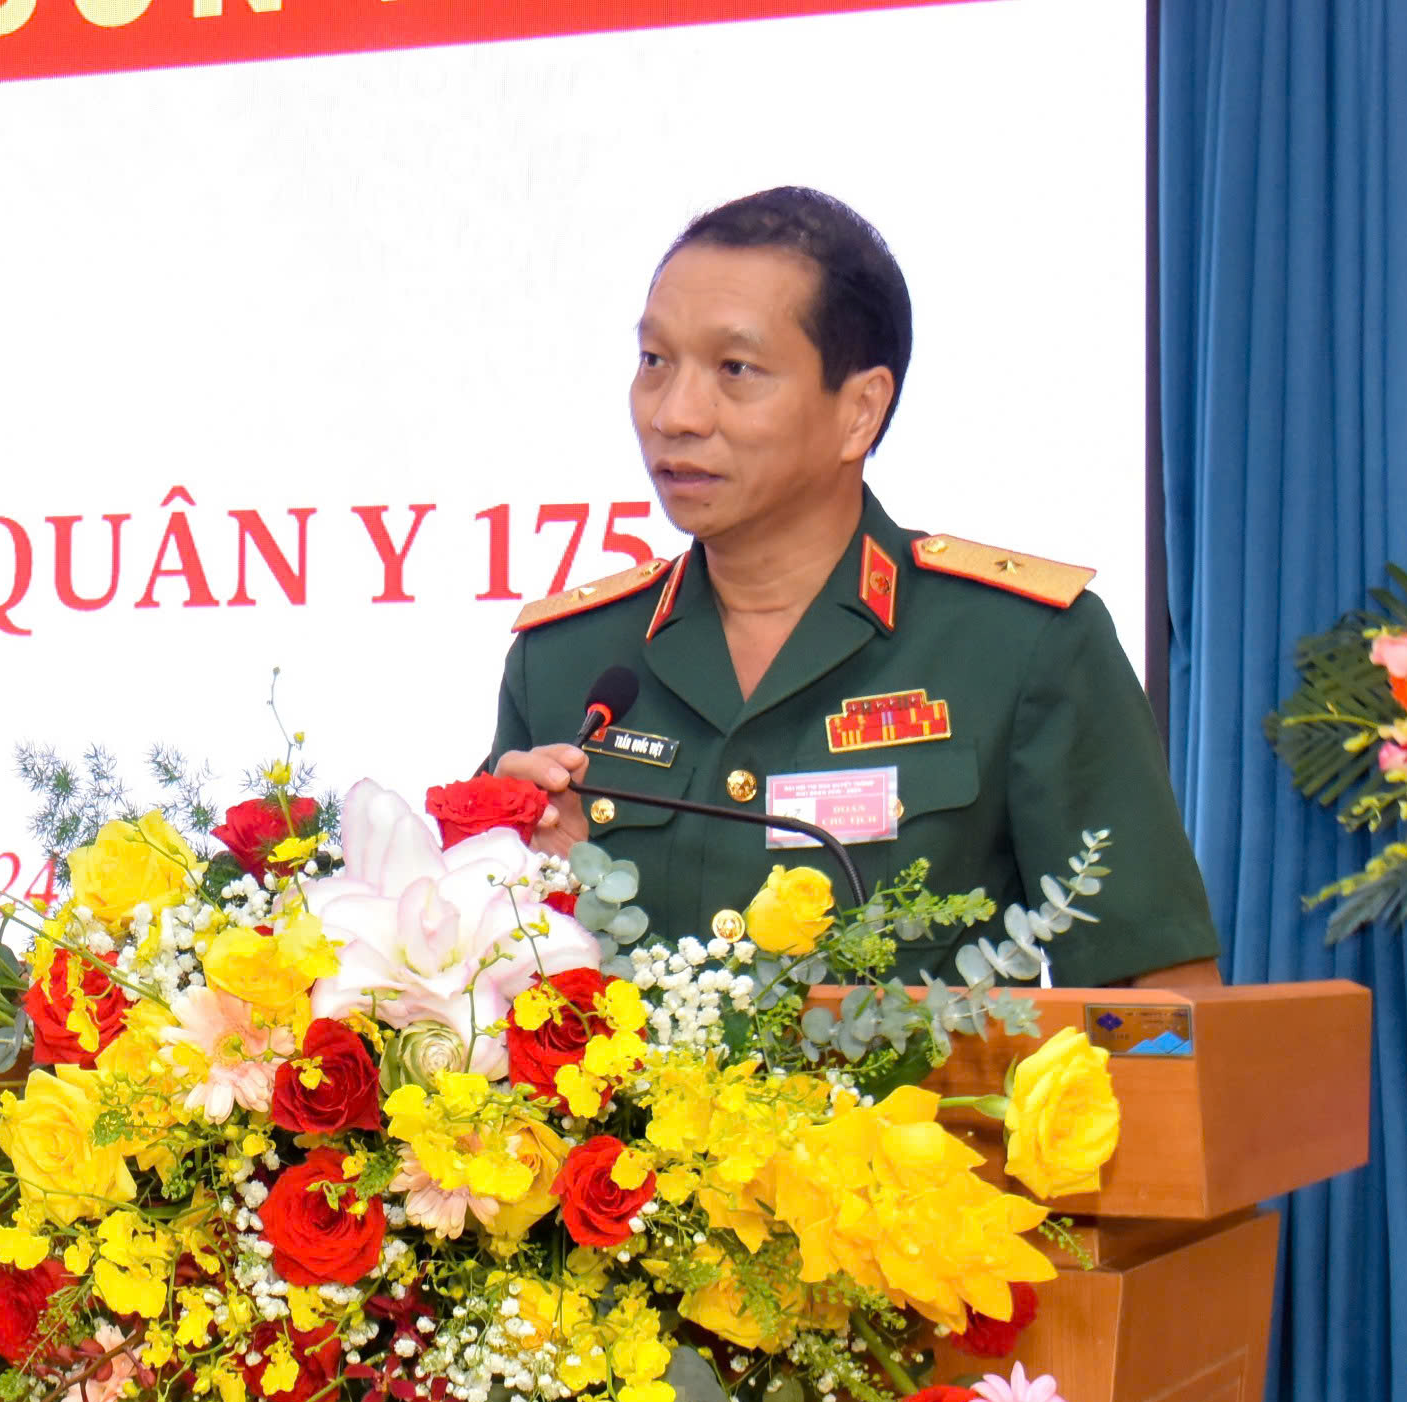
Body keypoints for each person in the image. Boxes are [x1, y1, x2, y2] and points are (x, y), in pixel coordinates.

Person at [488, 187, 1218, 988]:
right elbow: (478, 1002)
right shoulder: (565, 662)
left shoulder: (1023, 647)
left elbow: (1160, 1008)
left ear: (861, 411)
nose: (676, 414)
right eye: (655, 362)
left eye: (736, 370)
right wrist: (501, 873)